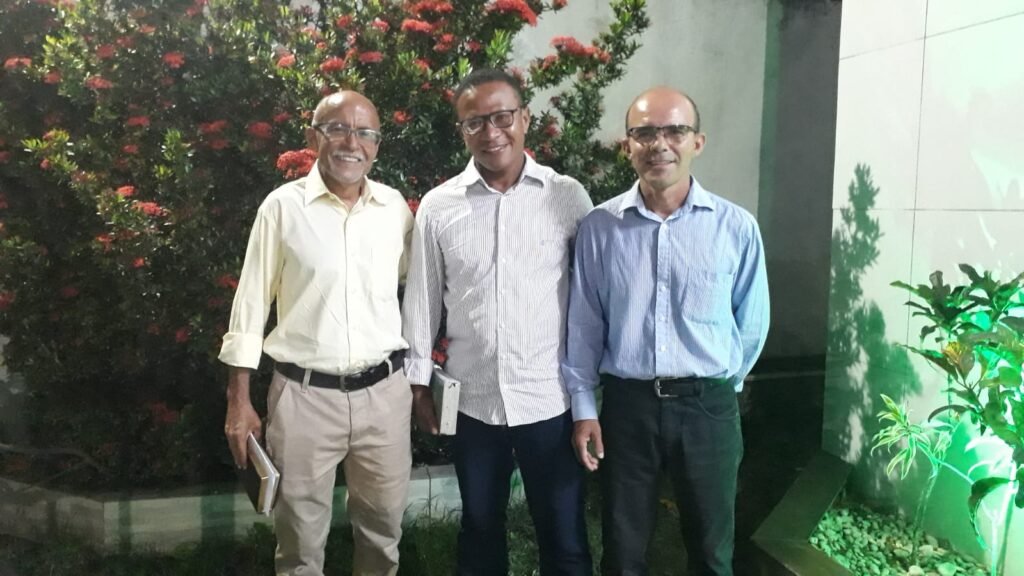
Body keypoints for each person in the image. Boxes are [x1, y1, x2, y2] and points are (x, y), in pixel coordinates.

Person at [562, 86, 770, 576]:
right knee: (622, 549)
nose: (660, 144)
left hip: (707, 408)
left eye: (675, 130)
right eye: (645, 132)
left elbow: (752, 323)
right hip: (628, 409)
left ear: (698, 142)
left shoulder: (735, 228)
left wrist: (720, 384)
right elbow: (585, 324)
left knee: (711, 552)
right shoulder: (600, 228)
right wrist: (584, 408)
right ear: (627, 145)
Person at [402, 68, 594, 575]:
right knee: (480, 528)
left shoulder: (567, 197)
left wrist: (588, 397)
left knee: (564, 534)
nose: (491, 132)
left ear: (525, 118)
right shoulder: (440, 207)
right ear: (462, 130)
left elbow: (592, 302)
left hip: (549, 399)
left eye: (502, 117)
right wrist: (418, 387)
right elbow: (422, 301)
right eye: (475, 122)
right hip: (474, 403)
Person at [219, 91, 414, 576]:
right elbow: (249, 306)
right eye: (338, 129)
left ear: (377, 144)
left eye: (365, 133)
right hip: (304, 399)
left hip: (385, 398)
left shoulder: (393, 209)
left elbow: (417, 286)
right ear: (313, 138)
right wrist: (239, 402)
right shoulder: (282, 209)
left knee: (384, 533)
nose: (352, 143)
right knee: (300, 544)